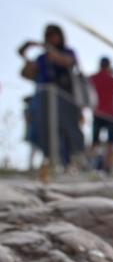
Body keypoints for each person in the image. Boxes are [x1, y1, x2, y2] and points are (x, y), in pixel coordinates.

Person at [19, 23, 85, 177]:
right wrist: (24, 55)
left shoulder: (67, 52)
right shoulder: (41, 58)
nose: (51, 38)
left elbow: (68, 62)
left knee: (67, 131)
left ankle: (67, 164)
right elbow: (27, 73)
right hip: (43, 100)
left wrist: (49, 51)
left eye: (54, 35)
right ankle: (49, 163)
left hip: (65, 99)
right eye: (48, 36)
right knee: (45, 131)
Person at [89, 57, 113, 172]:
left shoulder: (93, 78)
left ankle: (92, 166)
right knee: (111, 143)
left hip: (97, 113)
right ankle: (108, 167)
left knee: (95, 141)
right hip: (111, 115)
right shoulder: (112, 78)